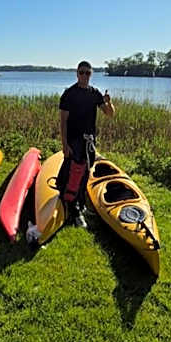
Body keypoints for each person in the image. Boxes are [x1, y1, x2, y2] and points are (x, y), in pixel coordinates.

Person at [57, 60, 115, 227]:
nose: (84, 76)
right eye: (81, 72)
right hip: (74, 141)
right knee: (73, 173)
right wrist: (64, 144)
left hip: (89, 141)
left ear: (91, 74)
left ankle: (80, 204)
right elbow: (63, 122)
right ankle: (73, 209)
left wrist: (108, 102)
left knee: (85, 173)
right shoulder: (69, 94)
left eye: (87, 73)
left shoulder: (94, 93)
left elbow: (109, 114)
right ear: (77, 73)